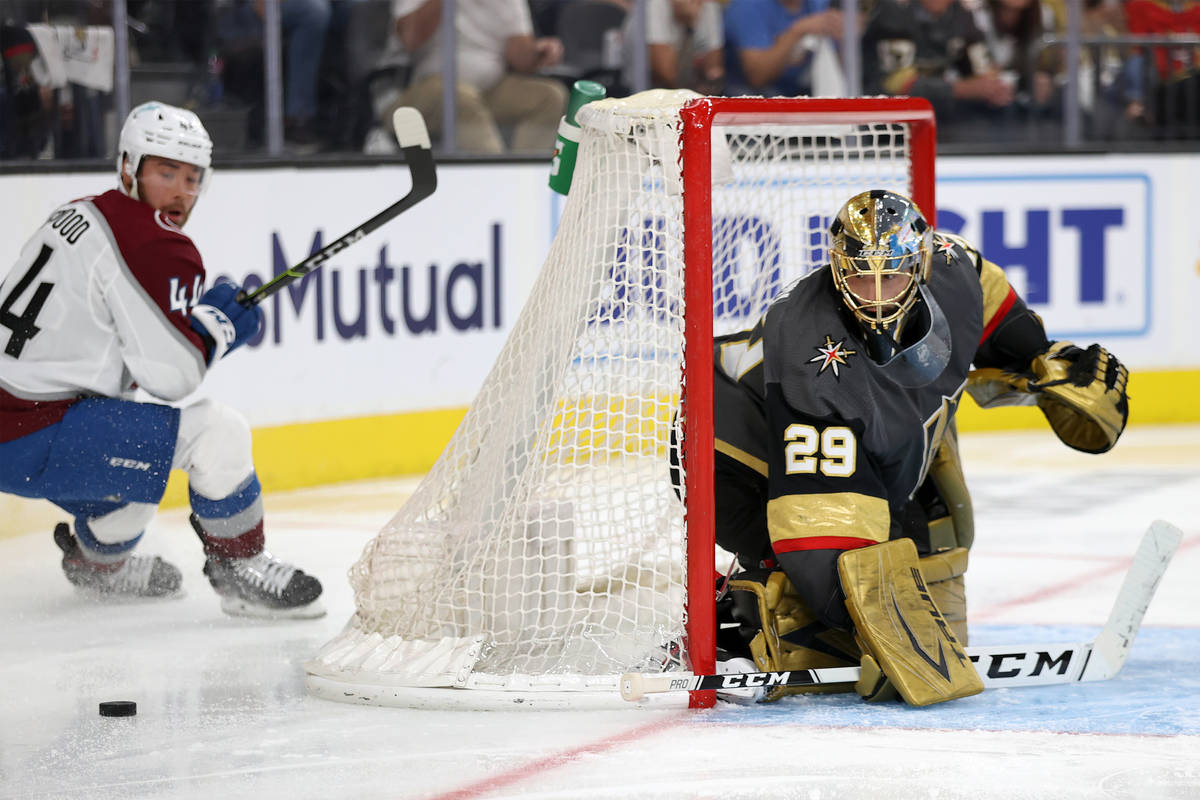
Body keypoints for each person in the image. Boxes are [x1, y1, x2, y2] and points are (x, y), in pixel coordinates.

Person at [708, 190, 1129, 705]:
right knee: (826, 616)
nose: (879, 294)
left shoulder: (957, 272)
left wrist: (1043, 363)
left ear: (923, 262)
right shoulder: (809, 355)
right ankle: (735, 615)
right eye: (862, 276)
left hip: (858, 439)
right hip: (729, 445)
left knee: (929, 549)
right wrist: (871, 629)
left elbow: (1003, 325)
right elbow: (816, 532)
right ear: (838, 270)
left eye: (893, 275)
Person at [0, 101, 324, 619]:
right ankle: (241, 568)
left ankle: (97, 566)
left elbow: (123, 330)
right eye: (165, 171)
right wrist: (218, 328)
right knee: (217, 432)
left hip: (23, 424)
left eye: (191, 177)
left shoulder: (82, 211)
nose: (178, 190)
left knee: (138, 475)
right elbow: (173, 378)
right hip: (37, 432)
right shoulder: (152, 242)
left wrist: (195, 323)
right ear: (129, 166)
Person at [388, 0, 568, 154]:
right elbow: (410, 38)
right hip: (428, 90)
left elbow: (520, 56)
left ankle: (524, 179)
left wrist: (538, 51)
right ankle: (498, 180)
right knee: (459, 97)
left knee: (549, 97)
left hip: (489, 87)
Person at [861, 0, 1017, 142]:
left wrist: (993, 88)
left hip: (944, 127)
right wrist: (963, 89)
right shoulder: (894, 13)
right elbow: (898, 84)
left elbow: (982, 71)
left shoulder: (962, 16)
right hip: (888, 131)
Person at [721, 0, 845, 97]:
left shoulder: (818, 5)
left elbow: (843, 70)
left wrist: (845, 38)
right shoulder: (748, 7)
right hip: (749, 94)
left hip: (802, 89)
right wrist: (797, 31)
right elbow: (758, 78)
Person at [628, 0, 725, 93]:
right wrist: (688, 28)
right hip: (642, 95)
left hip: (691, 96)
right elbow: (669, 79)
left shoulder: (709, 6)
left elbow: (713, 72)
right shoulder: (654, 6)